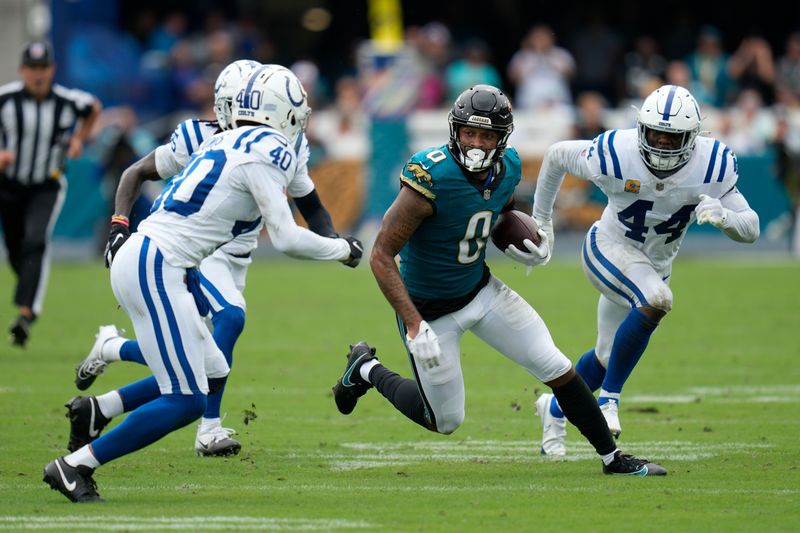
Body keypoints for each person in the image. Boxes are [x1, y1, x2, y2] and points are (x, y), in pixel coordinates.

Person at [42, 66, 363, 503]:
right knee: (188, 398)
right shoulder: (268, 148)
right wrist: (343, 250)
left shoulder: (223, 138)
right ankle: (76, 466)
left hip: (164, 261)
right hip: (160, 264)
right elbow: (286, 237)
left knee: (214, 369)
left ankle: (104, 399)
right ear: (281, 111)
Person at [331, 84, 666, 477]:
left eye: (486, 134)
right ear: (455, 131)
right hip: (430, 312)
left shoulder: (507, 166)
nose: (476, 142)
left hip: (481, 292)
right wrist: (414, 324)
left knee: (555, 365)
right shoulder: (430, 175)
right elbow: (381, 255)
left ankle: (613, 458)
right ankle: (366, 369)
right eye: (469, 133)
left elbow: (497, 212)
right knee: (444, 420)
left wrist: (524, 240)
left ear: (501, 138)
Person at [531, 84, 760, 455]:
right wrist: (541, 221)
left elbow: (751, 228)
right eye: (655, 133)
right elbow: (557, 156)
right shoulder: (616, 153)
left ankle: (554, 408)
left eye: (672, 138)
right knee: (657, 298)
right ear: (641, 127)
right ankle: (609, 401)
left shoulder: (712, 164)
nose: (661, 144)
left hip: (654, 263)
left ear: (692, 137)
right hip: (608, 247)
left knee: (607, 357)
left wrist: (725, 218)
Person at [0, 41, 102, 347]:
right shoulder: (6, 99)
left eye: (43, 67)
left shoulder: (68, 100)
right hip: (9, 186)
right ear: (22, 71)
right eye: (32, 68)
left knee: (35, 240)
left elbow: (94, 107)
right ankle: (28, 295)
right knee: (16, 247)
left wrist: (79, 139)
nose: (38, 74)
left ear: (52, 69)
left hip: (47, 184)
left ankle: (27, 313)